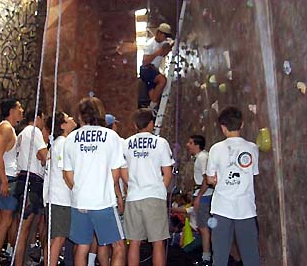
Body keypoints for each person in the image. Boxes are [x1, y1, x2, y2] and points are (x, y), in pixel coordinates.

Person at [63, 96, 126, 266]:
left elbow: (67, 174)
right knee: (119, 246)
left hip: (79, 201)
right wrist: (102, 186)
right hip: (103, 201)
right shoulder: (111, 136)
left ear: (80, 116)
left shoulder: (70, 139)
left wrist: (80, 189)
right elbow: (116, 172)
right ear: (100, 113)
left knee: (82, 248)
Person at [206, 106, 259, 266]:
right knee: (251, 257)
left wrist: (218, 180)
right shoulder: (252, 148)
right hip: (246, 209)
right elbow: (253, 174)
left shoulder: (216, 149)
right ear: (242, 124)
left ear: (223, 127)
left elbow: (210, 179)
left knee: (220, 258)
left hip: (222, 208)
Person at [121, 108, 174, 266]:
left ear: (135, 124)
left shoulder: (126, 143)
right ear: (151, 123)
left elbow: (123, 171)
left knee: (134, 242)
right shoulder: (161, 143)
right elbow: (168, 173)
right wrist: (160, 188)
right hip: (154, 196)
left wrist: (132, 186)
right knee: (157, 242)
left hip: (134, 197)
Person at [0, 99, 24, 266]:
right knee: (5, 219)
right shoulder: (5, 128)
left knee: (4, 219)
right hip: (5, 177)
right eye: (19, 107)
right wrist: (3, 181)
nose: (22, 110)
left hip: (7, 176)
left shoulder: (9, 128)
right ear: (12, 110)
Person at [14, 109, 48, 266]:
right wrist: (45, 157)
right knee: (24, 228)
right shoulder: (34, 131)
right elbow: (44, 155)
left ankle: (21, 260)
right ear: (37, 117)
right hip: (31, 181)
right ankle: (18, 262)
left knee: (25, 227)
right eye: (42, 119)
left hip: (25, 179)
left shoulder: (22, 133)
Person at [43, 111, 77, 266]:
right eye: (67, 118)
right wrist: (77, 190)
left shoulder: (56, 144)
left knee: (53, 238)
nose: (71, 118)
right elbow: (66, 173)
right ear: (62, 125)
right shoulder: (64, 143)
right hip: (61, 199)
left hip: (53, 198)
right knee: (58, 238)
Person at [186, 135, 213, 265]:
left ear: (197, 145)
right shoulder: (200, 157)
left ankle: (206, 258)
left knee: (203, 227)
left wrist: (199, 197)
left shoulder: (202, 158)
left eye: (190, 143)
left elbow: (206, 179)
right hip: (203, 194)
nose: (188, 145)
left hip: (205, 196)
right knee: (203, 227)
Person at [140, 23, 174, 114]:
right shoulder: (149, 44)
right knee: (162, 80)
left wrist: (168, 47)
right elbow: (145, 62)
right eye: (163, 36)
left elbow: (166, 49)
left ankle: (151, 109)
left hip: (154, 70)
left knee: (154, 97)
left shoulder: (165, 42)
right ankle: (151, 108)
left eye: (166, 36)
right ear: (158, 33)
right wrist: (157, 53)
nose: (165, 38)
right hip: (146, 69)